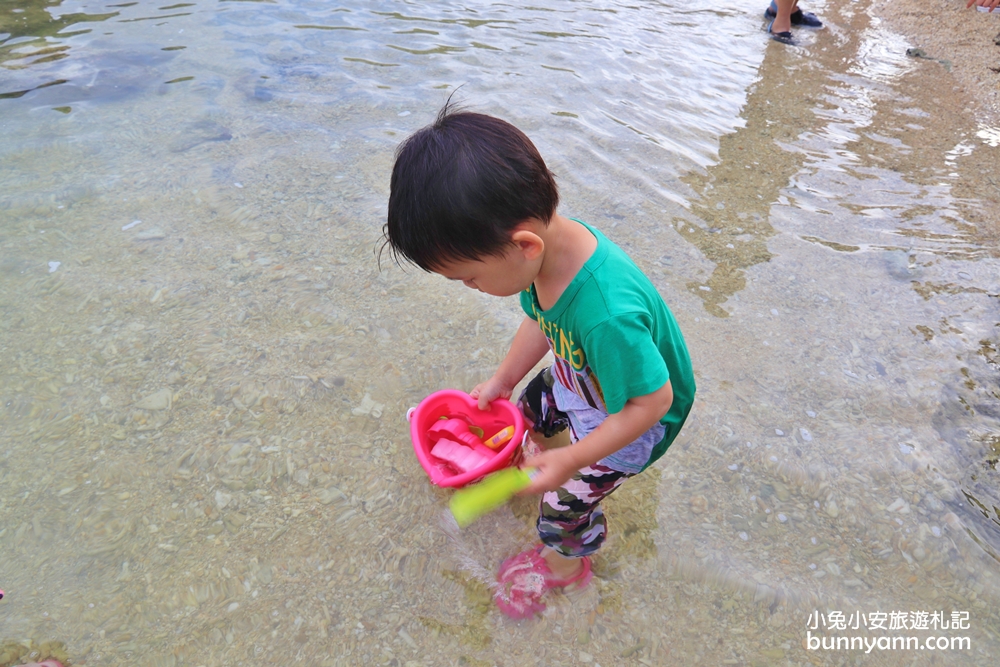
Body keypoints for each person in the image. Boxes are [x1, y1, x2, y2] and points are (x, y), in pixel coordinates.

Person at [384, 103, 696, 618]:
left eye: (469, 277)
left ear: (523, 244)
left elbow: (651, 402)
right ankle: (535, 454)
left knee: (562, 509)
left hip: (636, 418)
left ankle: (567, 565)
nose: (472, 288)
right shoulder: (547, 254)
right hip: (585, 380)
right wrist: (505, 378)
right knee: (528, 406)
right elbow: (542, 320)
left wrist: (571, 461)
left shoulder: (607, 317)